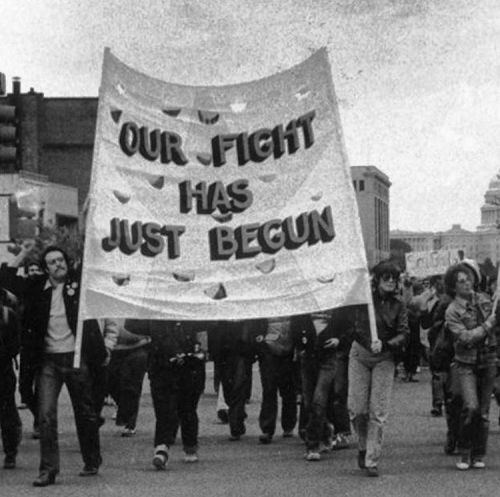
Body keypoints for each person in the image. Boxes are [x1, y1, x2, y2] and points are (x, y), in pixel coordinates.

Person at [20, 246, 104, 486]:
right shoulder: (37, 290)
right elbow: (9, 279)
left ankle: (91, 458)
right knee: (45, 415)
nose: (59, 264)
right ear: (46, 269)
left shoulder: (78, 285)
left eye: (61, 260)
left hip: (76, 358)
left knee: (86, 413)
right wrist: (21, 254)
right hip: (49, 361)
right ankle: (48, 469)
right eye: (52, 262)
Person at [348, 260, 409, 477]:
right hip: (361, 355)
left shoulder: (399, 305)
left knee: (378, 410)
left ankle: (372, 458)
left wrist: (386, 344)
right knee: (357, 409)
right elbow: (354, 326)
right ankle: (363, 444)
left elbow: (404, 332)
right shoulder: (364, 300)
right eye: (386, 277)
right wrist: (368, 341)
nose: (391, 281)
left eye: (394, 278)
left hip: (385, 358)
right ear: (377, 280)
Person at [125, 319, 205, 468]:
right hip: (161, 364)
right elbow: (131, 325)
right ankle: (161, 448)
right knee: (163, 409)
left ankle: (190, 445)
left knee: (187, 407)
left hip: (189, 364)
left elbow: (209, 322)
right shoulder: (156, 312)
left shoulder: (191, 310)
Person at [444, 262, 497, 470]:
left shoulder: (485, 300)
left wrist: (496, 315)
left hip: (488, 360)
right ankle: (464, 450)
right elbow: (465, 337)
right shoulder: (452, 310)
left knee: (483, 412)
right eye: (461, 281)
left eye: (468, 279)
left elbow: (496, 322)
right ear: (453, 287)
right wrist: (488, 325)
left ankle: (478, 453)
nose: (466, 284)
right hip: (466, 364)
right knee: (471, 407)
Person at [256, 317, 297, 444]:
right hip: (269, 349)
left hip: (289, 348)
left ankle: (288, 425)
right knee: (269, 389)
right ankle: (267, 429)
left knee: (288, 390)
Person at [107, 322, 150, 436]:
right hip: (114, 348)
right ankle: (123, 409)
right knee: (111, 383)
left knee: (131, 386)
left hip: (138, 347)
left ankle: (130, 424)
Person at [0, 289, 22, 469]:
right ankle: (10, 452)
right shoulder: (9, 314)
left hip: (3, 370)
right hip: (5, 368)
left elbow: (16, 344)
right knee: (7, 410)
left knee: (6, 410)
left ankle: (10, 451)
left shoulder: (9, 315)